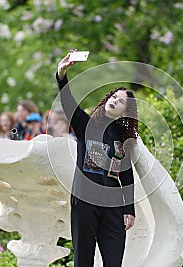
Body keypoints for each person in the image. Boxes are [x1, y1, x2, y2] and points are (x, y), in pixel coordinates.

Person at [56, 51, 137, 267]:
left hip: (112, 206)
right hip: (85, 202)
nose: (114, 101)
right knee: (83, 259)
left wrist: (129, 209)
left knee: (113, 260)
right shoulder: (86, 125)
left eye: (120, 101)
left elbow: (127, 176)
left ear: (124, 111)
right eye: (113, 97)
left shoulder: (125, 139)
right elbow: (69, 103)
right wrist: (61, 75)